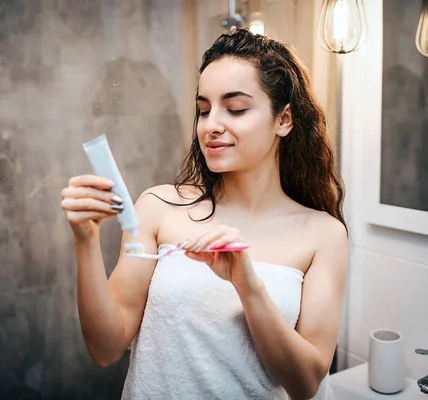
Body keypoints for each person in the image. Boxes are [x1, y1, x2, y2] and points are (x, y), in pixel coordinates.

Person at [61, 29, 348, 400]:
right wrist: (85, 241)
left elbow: (306, 383)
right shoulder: (158, 208)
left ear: (284, 120)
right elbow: (106, 348)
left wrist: (247, 285)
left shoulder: (323, 235)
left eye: (236, 108)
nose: (211, 125)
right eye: (203, 109)